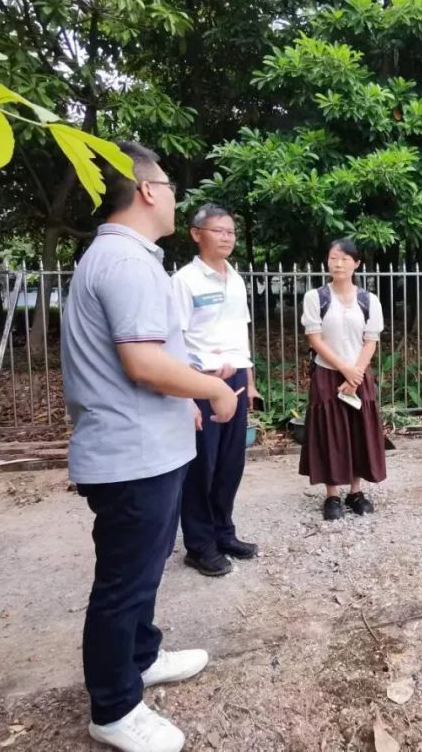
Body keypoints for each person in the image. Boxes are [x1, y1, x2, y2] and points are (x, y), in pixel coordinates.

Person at [61, 142, 242, 752]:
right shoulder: (127, 262)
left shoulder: (127, 257)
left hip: (147, 448)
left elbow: (150, 358)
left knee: (141, 574)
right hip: (131, 456)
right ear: (144, 191)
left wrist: (183, 395)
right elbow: (141, 362)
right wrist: (212, 391)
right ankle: (114, 708)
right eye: (167, 186)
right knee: (123, 584)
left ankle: (142, 656)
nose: (172, 197)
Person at [172, 204, 261, 577]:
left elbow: (241, 333)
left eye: (231, 232)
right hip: (200, 383)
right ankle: (199, 545)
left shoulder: (235, 279)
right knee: (201, 467)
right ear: (196, 234)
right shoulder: (184, 281)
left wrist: (249, 382)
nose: (227, 237)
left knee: (230, 464)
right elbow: (173, 340)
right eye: (218, 231)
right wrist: (187, 393)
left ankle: (224, 533)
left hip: (235, 382)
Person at [298, 238, 387, 520]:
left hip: (359, 375)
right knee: (330, 432)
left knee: (359, 430)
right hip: (327, 374)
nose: (338, 264)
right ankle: (332, 494)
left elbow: (370, 340)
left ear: (356, 264)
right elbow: (315, 339)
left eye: (345, 259)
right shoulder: (316, 298)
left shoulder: (369, 300)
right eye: (333, 258)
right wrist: (344, 370)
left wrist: (355, 373)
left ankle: (355, 491)